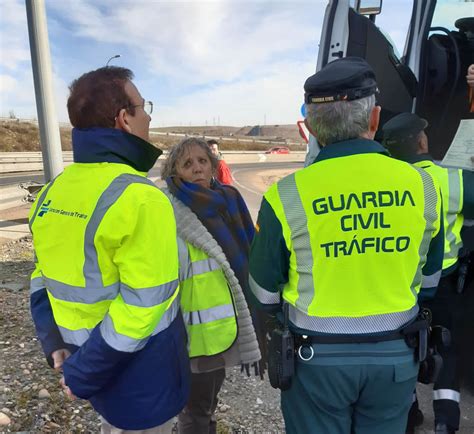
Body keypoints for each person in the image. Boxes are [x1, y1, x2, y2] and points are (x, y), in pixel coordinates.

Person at [248, 57, 445, 434]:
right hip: (395, 356)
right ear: (374, 120)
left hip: (314, 360)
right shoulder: (422, 187)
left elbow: (263, 291)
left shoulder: (287, 195)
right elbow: (431, 279)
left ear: (311, 129)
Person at [29, 66, 190, 433]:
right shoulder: (140, 198)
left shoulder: (55, 190)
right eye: (142, 105)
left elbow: (42, 276)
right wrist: (84, 372)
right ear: (124, 120)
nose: (148, 114)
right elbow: (144, 303)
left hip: (87, 362)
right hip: (140, 374)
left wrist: (55, 341)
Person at [160, 137, 261, 434]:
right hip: (188, 326)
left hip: (224, 323)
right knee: (196, 406)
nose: (197, 169)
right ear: (175, 170)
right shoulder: (168, 207)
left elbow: (249, 250)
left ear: (213, 165)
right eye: (187, 163)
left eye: (202, 161)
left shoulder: (228, 198)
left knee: (208, 399)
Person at [382, 112, 474, 434]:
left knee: (406, 347)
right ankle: (446, 421)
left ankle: (409, 415)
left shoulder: (385, 181)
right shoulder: (449, 179)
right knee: (446, 348)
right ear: (422, 142)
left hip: (400, 285)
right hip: (445, 283)